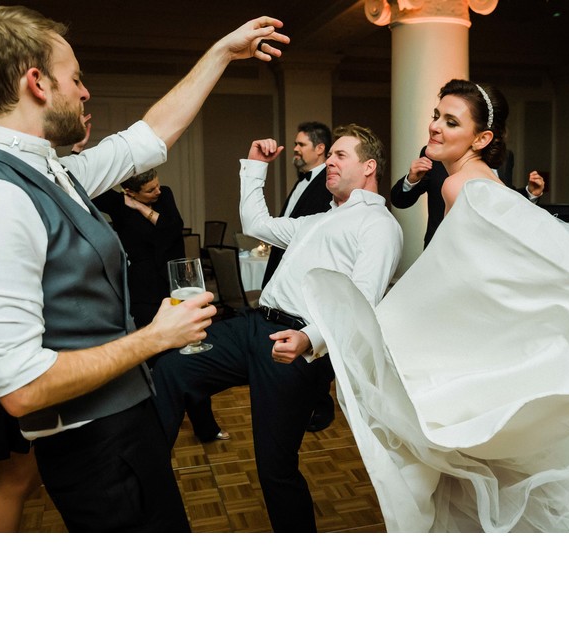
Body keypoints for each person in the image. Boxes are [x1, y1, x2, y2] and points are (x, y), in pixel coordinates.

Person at [300, 79, 569, 532]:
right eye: (436, 116)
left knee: (453, 442)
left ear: (482, 139)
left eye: (451, 121)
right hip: (501, 321)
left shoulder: (461, 186)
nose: (435, 127)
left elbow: (460, 280)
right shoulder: (485, 182)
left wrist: (379, 327)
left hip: (480, 325)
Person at [0, 5, 288, 532]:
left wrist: (220, 55)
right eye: (75, 79)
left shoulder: (49, 169)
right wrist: (155, 337)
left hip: (124, 426)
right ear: (36, 83)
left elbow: (147, 138)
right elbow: (21, 388)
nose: (84, 92)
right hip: (91, 444)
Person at [152, 124, 403, 532]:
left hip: (294, 346)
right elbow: (255, 222)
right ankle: (146, 488)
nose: (330, 163)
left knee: (275, 467)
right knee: (170, 368)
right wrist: (255, 167)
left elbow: (362, 302)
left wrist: (310, 338)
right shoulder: (317, 220)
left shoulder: (378, 226)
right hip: (255, 327)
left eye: (341, 155)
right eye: (330, 155)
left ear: (369, 166)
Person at [93, 169, 230, 443]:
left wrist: (141, 209)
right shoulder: (118, 204)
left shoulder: (164, 195)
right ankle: (156, 428)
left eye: (156, 186)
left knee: (191, 356)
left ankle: (206, 426)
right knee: (154, 361)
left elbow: (171, 229)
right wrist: (77, 151)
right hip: (143, 292)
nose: (157, 191)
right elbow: (86, 186)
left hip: (176, 288)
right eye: (149, 190)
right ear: (129, 191)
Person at [261, 121, 336, 432]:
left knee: (312, 345)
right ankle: (300, 400)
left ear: (320, 149)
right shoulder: (302, 181)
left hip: (306, 277)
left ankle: (317, 405)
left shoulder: (326, 187)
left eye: (300, 144)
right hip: (284, 264)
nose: (294, 149)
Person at [390, 146, 544, 248]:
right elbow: (400, 201)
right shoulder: (435, 155)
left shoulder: (504, 157)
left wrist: (530, 193)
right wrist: (411, 180)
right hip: (441, 248)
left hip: (491, 249)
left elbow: (505, 199)